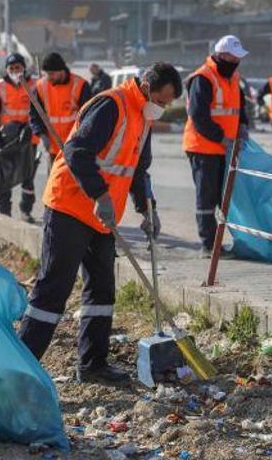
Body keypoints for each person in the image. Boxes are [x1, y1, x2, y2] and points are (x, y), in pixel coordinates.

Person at [18, 62, 182, 383]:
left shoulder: (143, 117)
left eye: (167, 104)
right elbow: (78, 150)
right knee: (53, 289)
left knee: (102, 289)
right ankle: (19, 367)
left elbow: (137, 168)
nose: (161, 108)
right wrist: (100, 195)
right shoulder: (111, 104)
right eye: (161, 101)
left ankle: (92, 365)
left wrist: (147, 208)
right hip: (70, 207)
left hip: (102, 218)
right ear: (147, 87)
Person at [182, 35, 250, 258]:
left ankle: (218, 243)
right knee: (207, 197)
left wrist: (243, 126)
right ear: (221, 56)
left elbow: (239, 108)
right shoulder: (202, 78)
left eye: (239, 58)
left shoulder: (233, 77)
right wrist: (222, 137)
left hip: (225, 148)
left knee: (223, 198)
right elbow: (198, 116)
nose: (236, 62)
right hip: (202, 147)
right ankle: (208, 245)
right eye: (233, 57)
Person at [0, 53, 40, 222]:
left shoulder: (35, 85)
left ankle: (25, 210)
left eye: (18, 67)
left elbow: (41, 111)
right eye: (12, 68)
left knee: (28, 177)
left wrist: (31, 128)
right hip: (7, 139)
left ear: (24, 68)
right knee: (5, 176)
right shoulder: (0, 87)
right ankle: (4, 212)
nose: (15, 71)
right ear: (7, 70)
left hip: (29, 139)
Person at [29, 52, 91, 172]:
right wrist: (42, 135)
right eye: (46, 74)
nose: (48, 77)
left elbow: (89, 117)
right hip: (53, 149)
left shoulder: (81, 86)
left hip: (75, 148)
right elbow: (34, 116)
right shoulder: (40, 87)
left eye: (52, 73)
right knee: (54, 187)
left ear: (61, 70)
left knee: (75, 186)